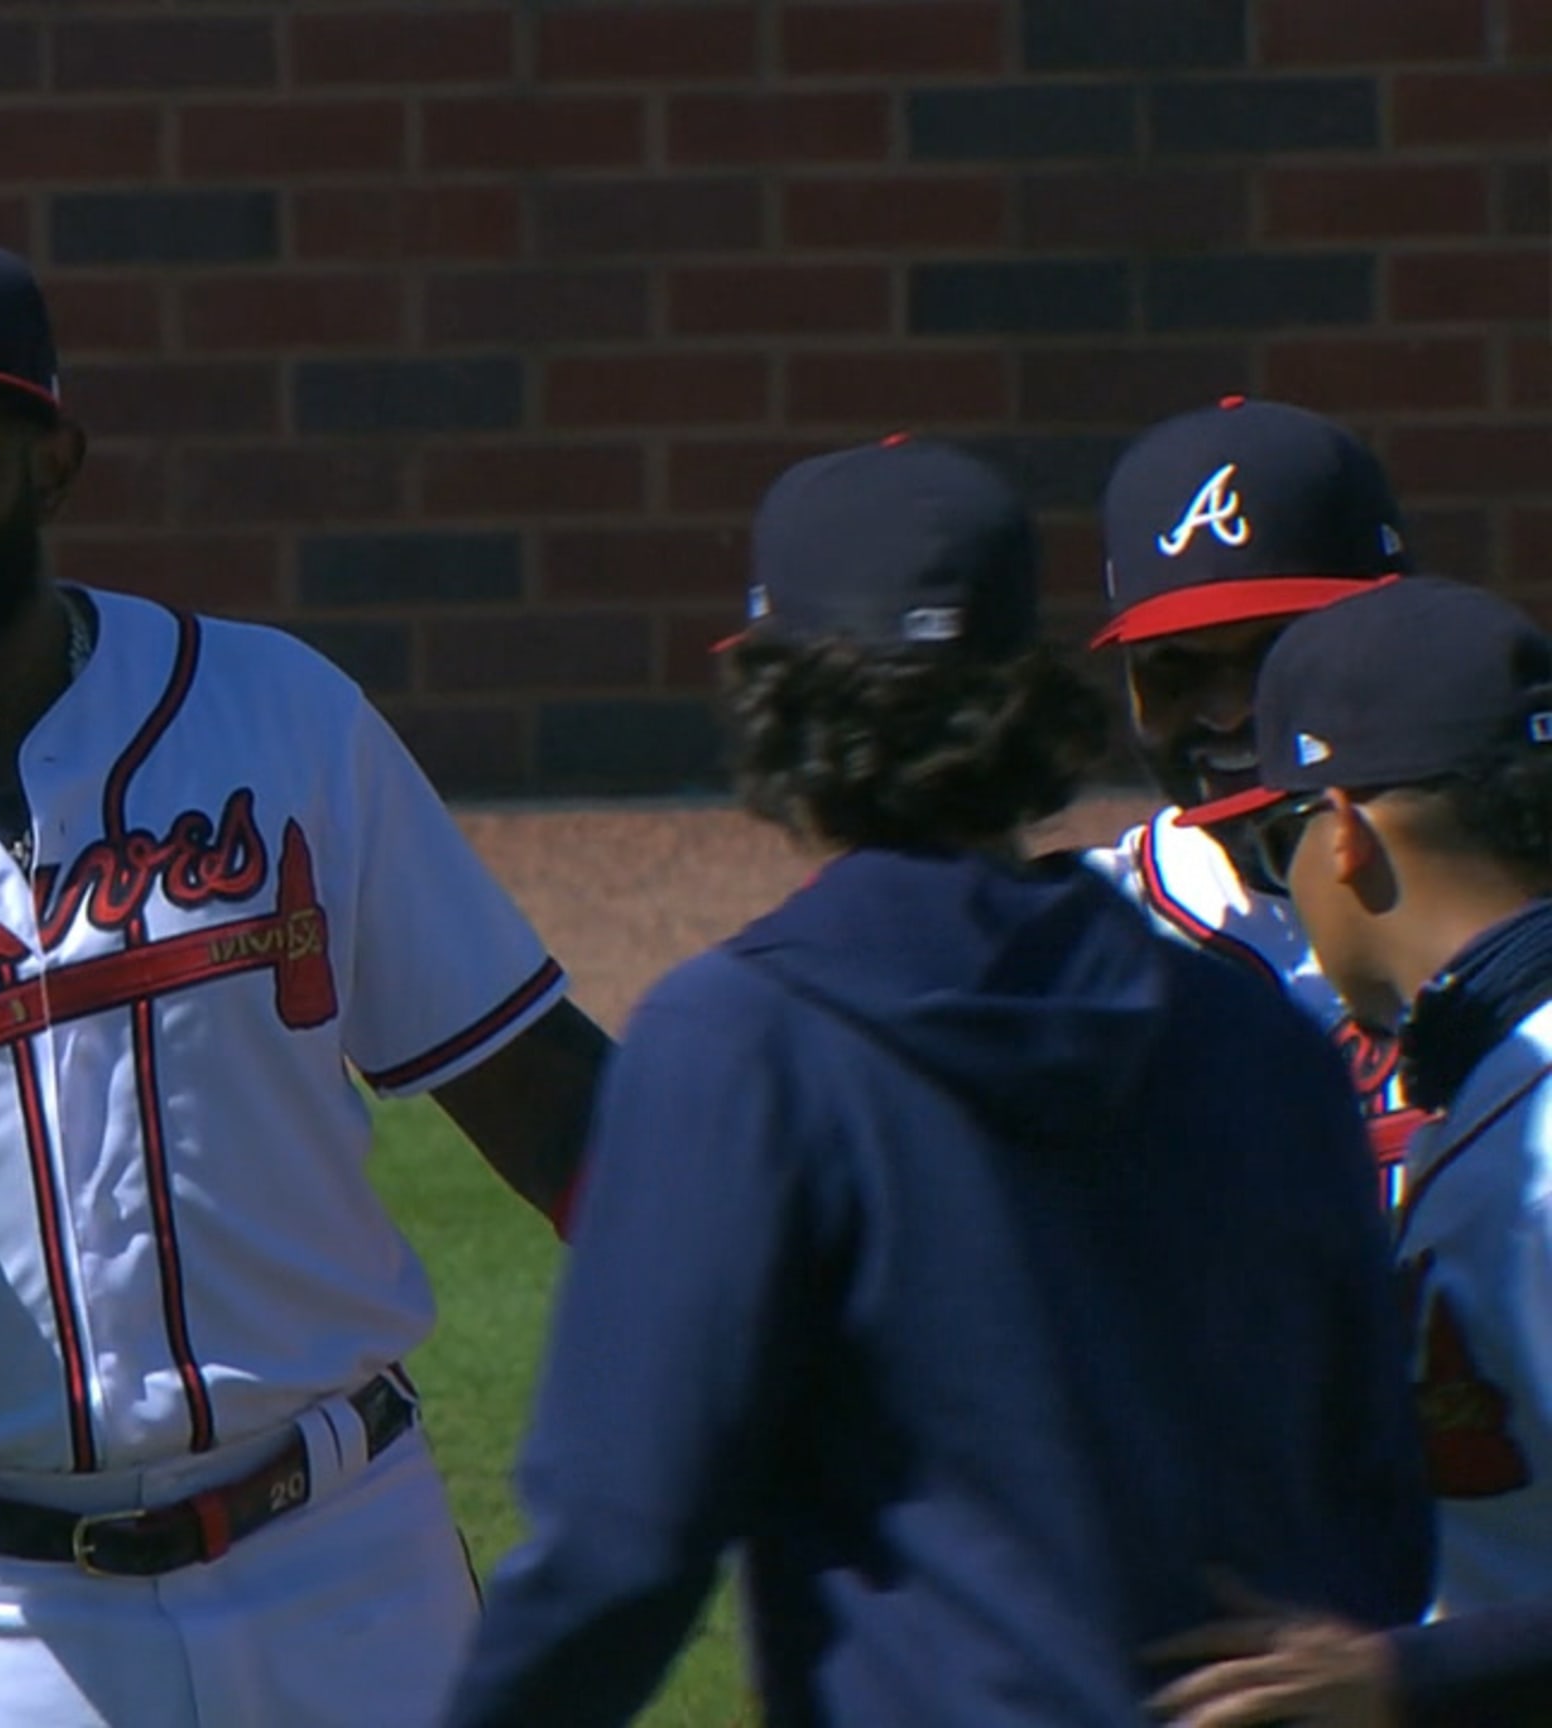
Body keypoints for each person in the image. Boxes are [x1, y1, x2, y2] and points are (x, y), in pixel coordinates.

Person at [0, 227, 614, 1728]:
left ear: (55, 465)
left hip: (341, 1561)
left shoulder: (274, 717)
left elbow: (550, 1099)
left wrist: (780, 1352)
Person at [438, 439, 1435, 1728]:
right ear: (1033, 693)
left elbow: (620, 1550)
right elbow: (1379, 1521)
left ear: (766, 693)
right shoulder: (1258, 1038)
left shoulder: (742, 1043)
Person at [1143, 576, 1552, 1728]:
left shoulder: (1542, 1140)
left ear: (1344, 835)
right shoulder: (1498, 1084)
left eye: (1277, 846)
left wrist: (1400, 1681)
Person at [1085, 395, 1426, 1196]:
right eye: (1174, 668)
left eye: (1277, 655)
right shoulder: (1078, 944)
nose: (1229, 710)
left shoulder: (1511, 895)